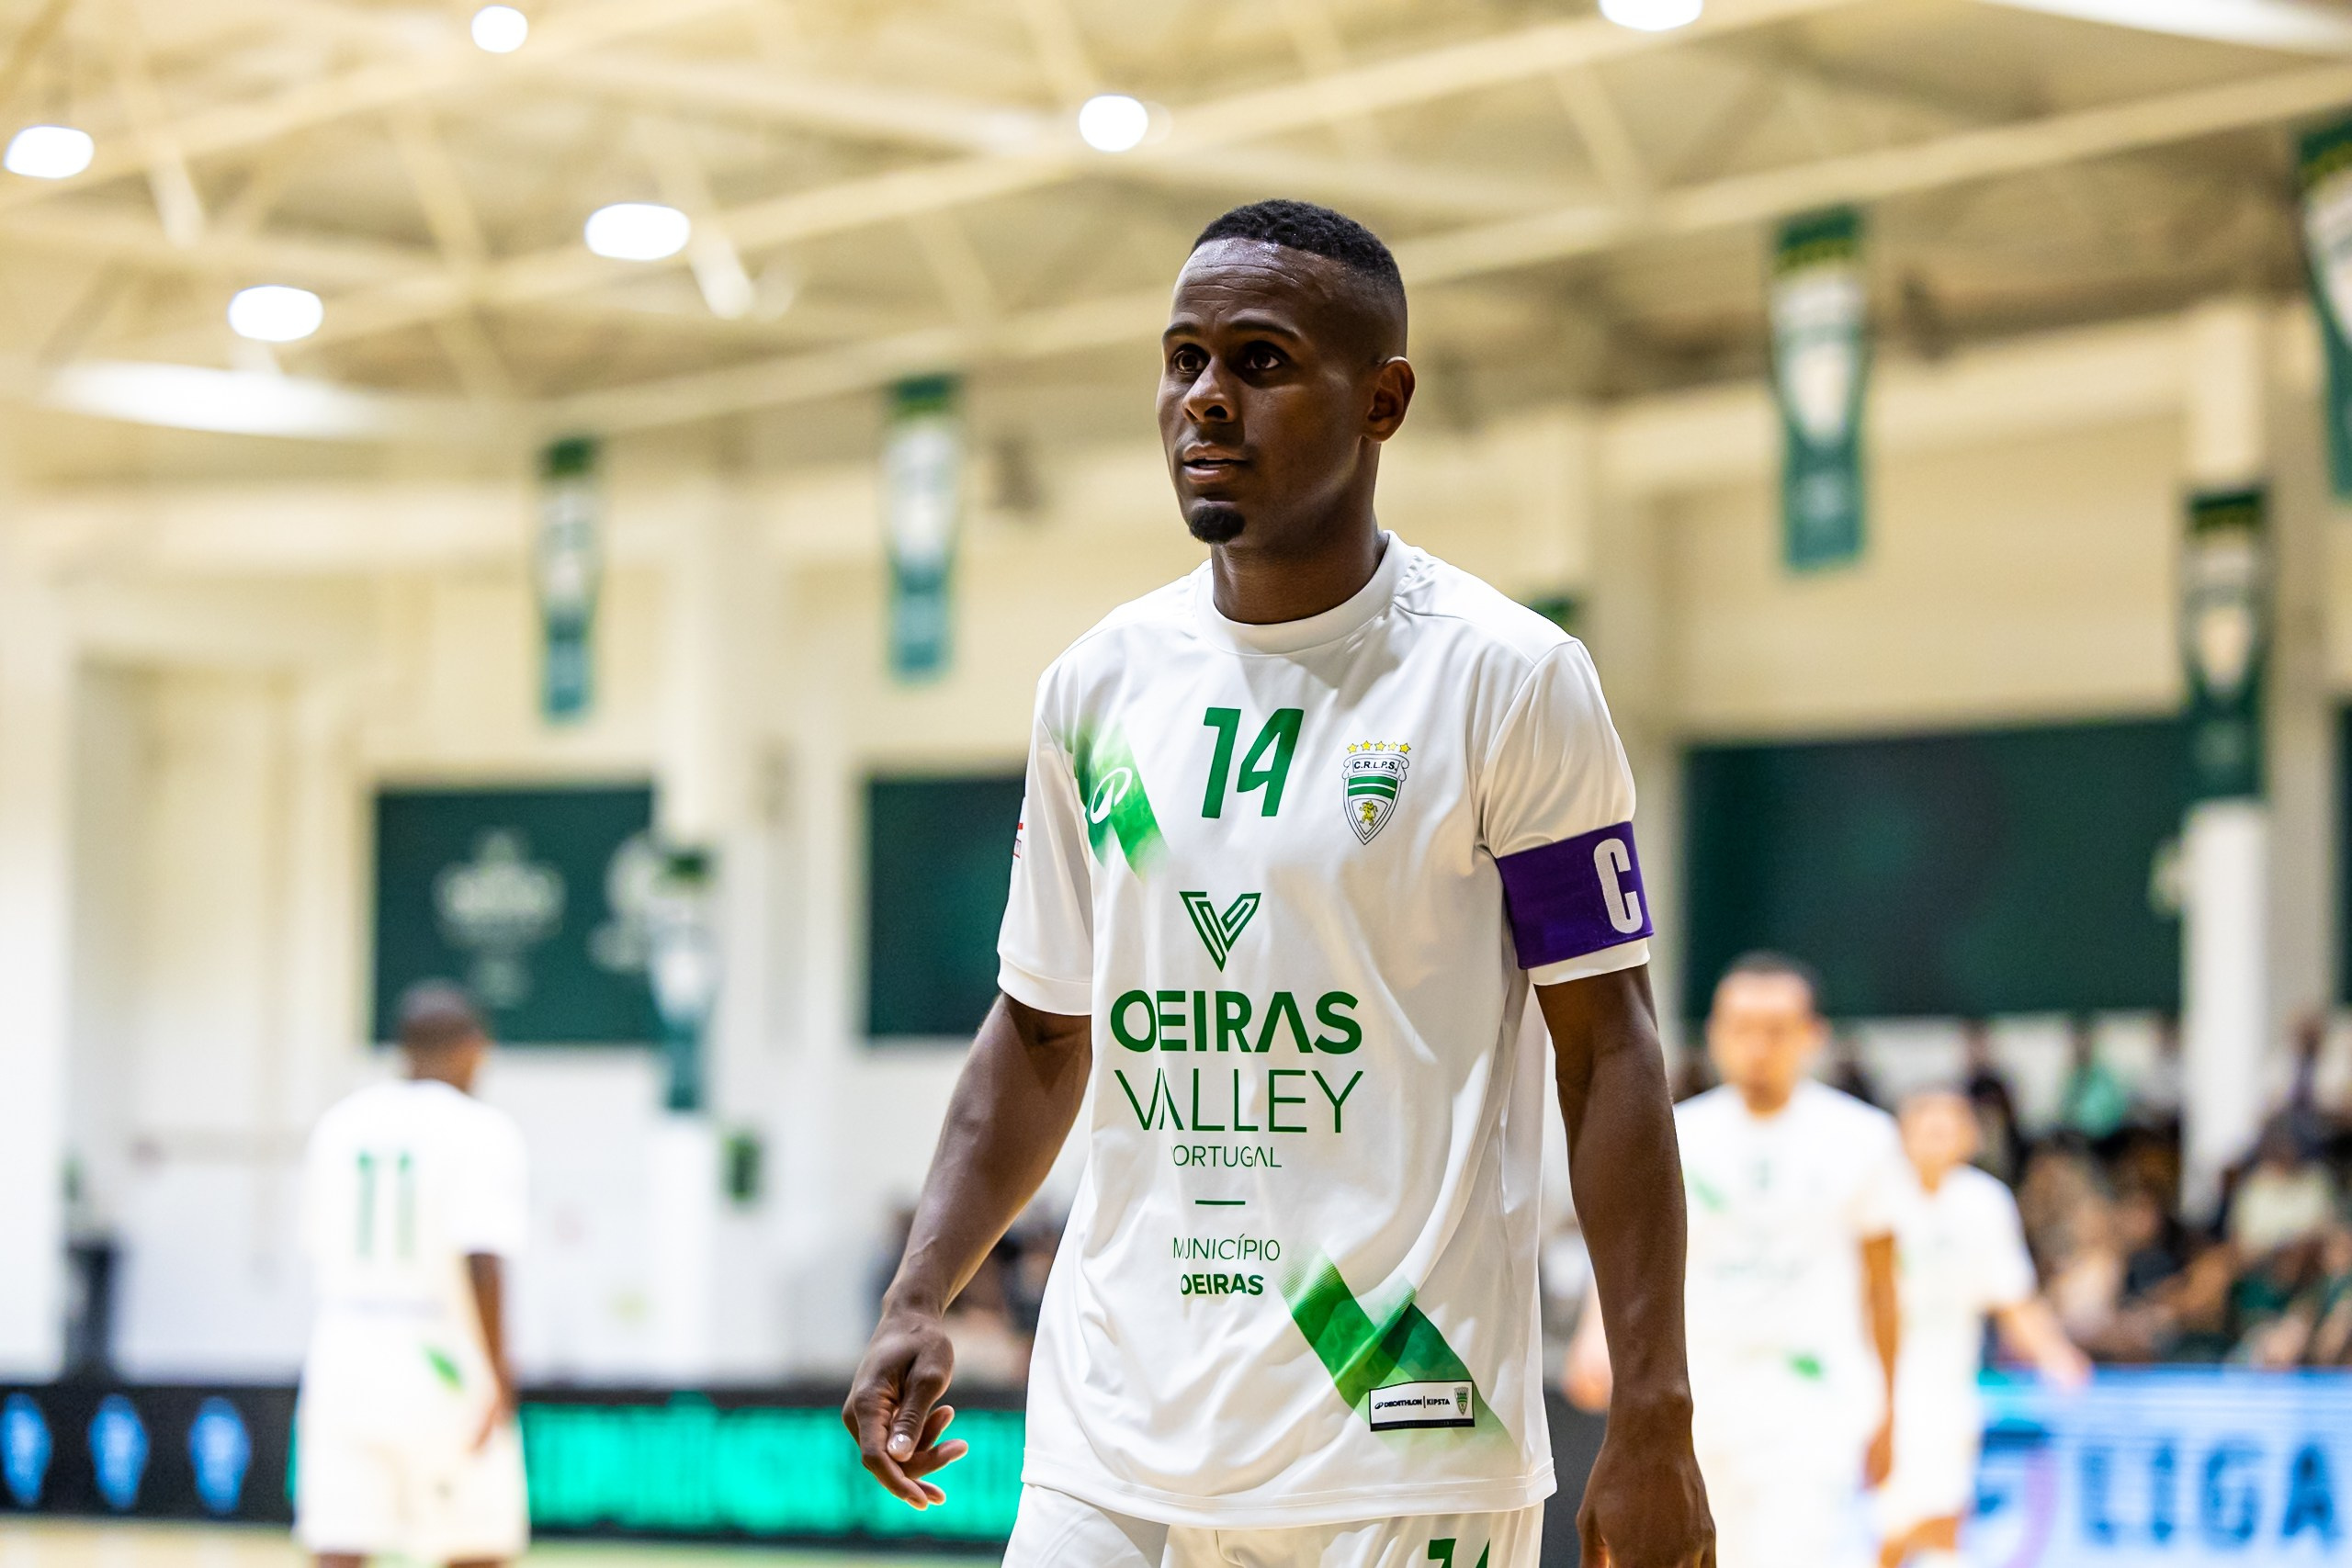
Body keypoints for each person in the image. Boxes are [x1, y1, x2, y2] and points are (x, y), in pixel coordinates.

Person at [843, 199, 1712, 1568]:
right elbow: (1041, 1026)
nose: (1205, 400)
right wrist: (918, 1289)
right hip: (1116, 1424)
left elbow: (1608, 1052)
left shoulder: (1507, 676)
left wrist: (1653, 1414)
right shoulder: (1097, 686)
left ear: (1384, 399)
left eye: (1258, 362)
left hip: (1398, 1422)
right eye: (1184, 358)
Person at [1574, 953, 1904, 1568]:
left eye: (1776, 1028)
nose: (1758, 1044)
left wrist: (1890, 1406)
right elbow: (1633, 1249)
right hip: (1698, 1400)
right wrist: (1596, 1331)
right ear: (1717, 1034)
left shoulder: (1865, 1137)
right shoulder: (1675, 1132)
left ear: (1812, 1035)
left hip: (1812, 1400)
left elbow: (1884, 1285)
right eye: (1741, 1026)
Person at [296, 983, 528, 1568]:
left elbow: (318, 1245)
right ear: (473, 1046)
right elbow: (482, 1258)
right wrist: (498, 1374)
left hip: (343, 1347)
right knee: (475, 1541)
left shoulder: (340, 1124)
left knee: (342, 1540)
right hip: (438, 1353)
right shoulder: (480, 1129)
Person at [1877, 1089, 2088, 1568]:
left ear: (1970, 1139)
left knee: (1946, 1514)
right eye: (1927, 1129)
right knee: (1887, 1524)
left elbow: (2012, 1297)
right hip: (1878, 1381)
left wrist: (2057, 1355)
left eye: (1949, 1130)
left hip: (1948, 1383)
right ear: (1903, 1135)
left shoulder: (1984, 1202)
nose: (1937, 1141)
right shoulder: (1875, 1195)